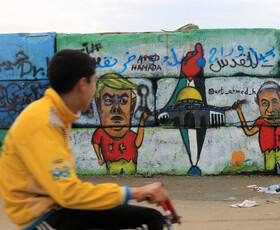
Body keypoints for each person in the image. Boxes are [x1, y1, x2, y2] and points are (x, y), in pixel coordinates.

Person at [0, 49, 167, 230]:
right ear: (82, 84)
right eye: (94, 82)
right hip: (43, 220)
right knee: (148, 221)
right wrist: (134, 192)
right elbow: (68, 193)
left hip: (58, 210)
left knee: (149, 218)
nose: (94, 90)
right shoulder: (45, 122)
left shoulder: (53, 114)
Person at [233, 81, 280, 174]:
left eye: (275, 102)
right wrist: (239, 111)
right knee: (269, 171)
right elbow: (248, 132)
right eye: (264, 103)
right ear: (258, 103)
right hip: (269, 151)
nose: (270, 109)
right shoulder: (261, 122)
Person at [93, 73, 148, 175]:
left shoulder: (130, 136)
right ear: (99, 105)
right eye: (109, 100)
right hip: (112, 166)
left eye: (123, 101)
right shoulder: (101, 134)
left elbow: (137, 143)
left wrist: (142, 121)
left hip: (129, 166)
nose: (116, 108)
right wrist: (99, 158)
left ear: (132, 106)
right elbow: (96, 143)